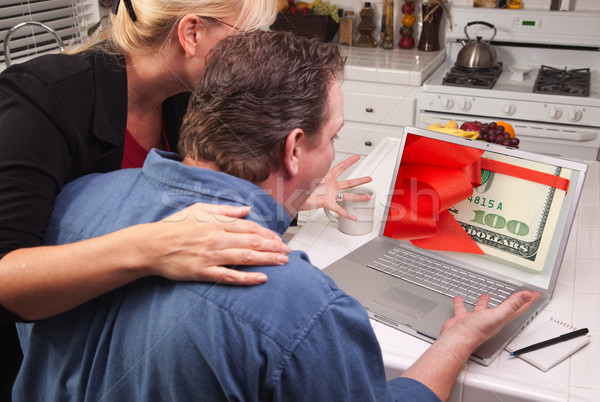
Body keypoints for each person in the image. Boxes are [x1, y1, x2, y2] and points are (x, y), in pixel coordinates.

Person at [14, 30, 539, 402]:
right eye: (332, 137)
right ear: (293, 149)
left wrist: (291, 202)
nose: (333, 150)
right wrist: (457, 340)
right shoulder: (304, 308)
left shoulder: (74, 203)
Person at [0, 0, 369, 396]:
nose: (256, 51)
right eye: (247, 36)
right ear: (191, 33)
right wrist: (154, 244)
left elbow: (203, 184)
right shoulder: (42, 101)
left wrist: (291, 191)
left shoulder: (187, 96)